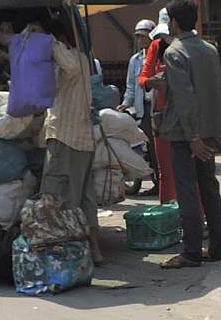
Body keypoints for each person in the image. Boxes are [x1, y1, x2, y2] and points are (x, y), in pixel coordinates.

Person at [159, 0, 221, 269]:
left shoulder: (174, 52)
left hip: (186, 133)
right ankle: (217, 246)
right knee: (209, 187)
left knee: (188, 191)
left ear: (173, 22)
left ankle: (191, 252)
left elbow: (185, 98)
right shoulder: (209, 50)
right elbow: (212, 90)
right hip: (208, 129)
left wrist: (193, 137)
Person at [39, 18, 105, 266]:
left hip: (65, 136)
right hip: (82, 138)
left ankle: (63, 255)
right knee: (85, 197)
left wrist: (47, 41)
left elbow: (68, 64)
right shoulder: (80, 60)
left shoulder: (73, 59)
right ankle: (94, 251)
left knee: (56, 196)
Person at [138, 9, 177, 204]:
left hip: (184, 115)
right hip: (161, 114)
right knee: (165, 171)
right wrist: (152, 81)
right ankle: (168, 212)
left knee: (190, 170)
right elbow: (142, 78)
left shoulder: (186, 46)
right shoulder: (155, 46)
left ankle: (194, 217)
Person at [117, 19, 158, 196]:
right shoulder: (135, 60)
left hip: (156, 107)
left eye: (143, 36)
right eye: (138, 37)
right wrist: (126, 102)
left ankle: (160, 182)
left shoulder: (159, 55)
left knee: (157, 149)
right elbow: (131, 86)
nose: (140, 40)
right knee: (145, 146)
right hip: (142, 109)